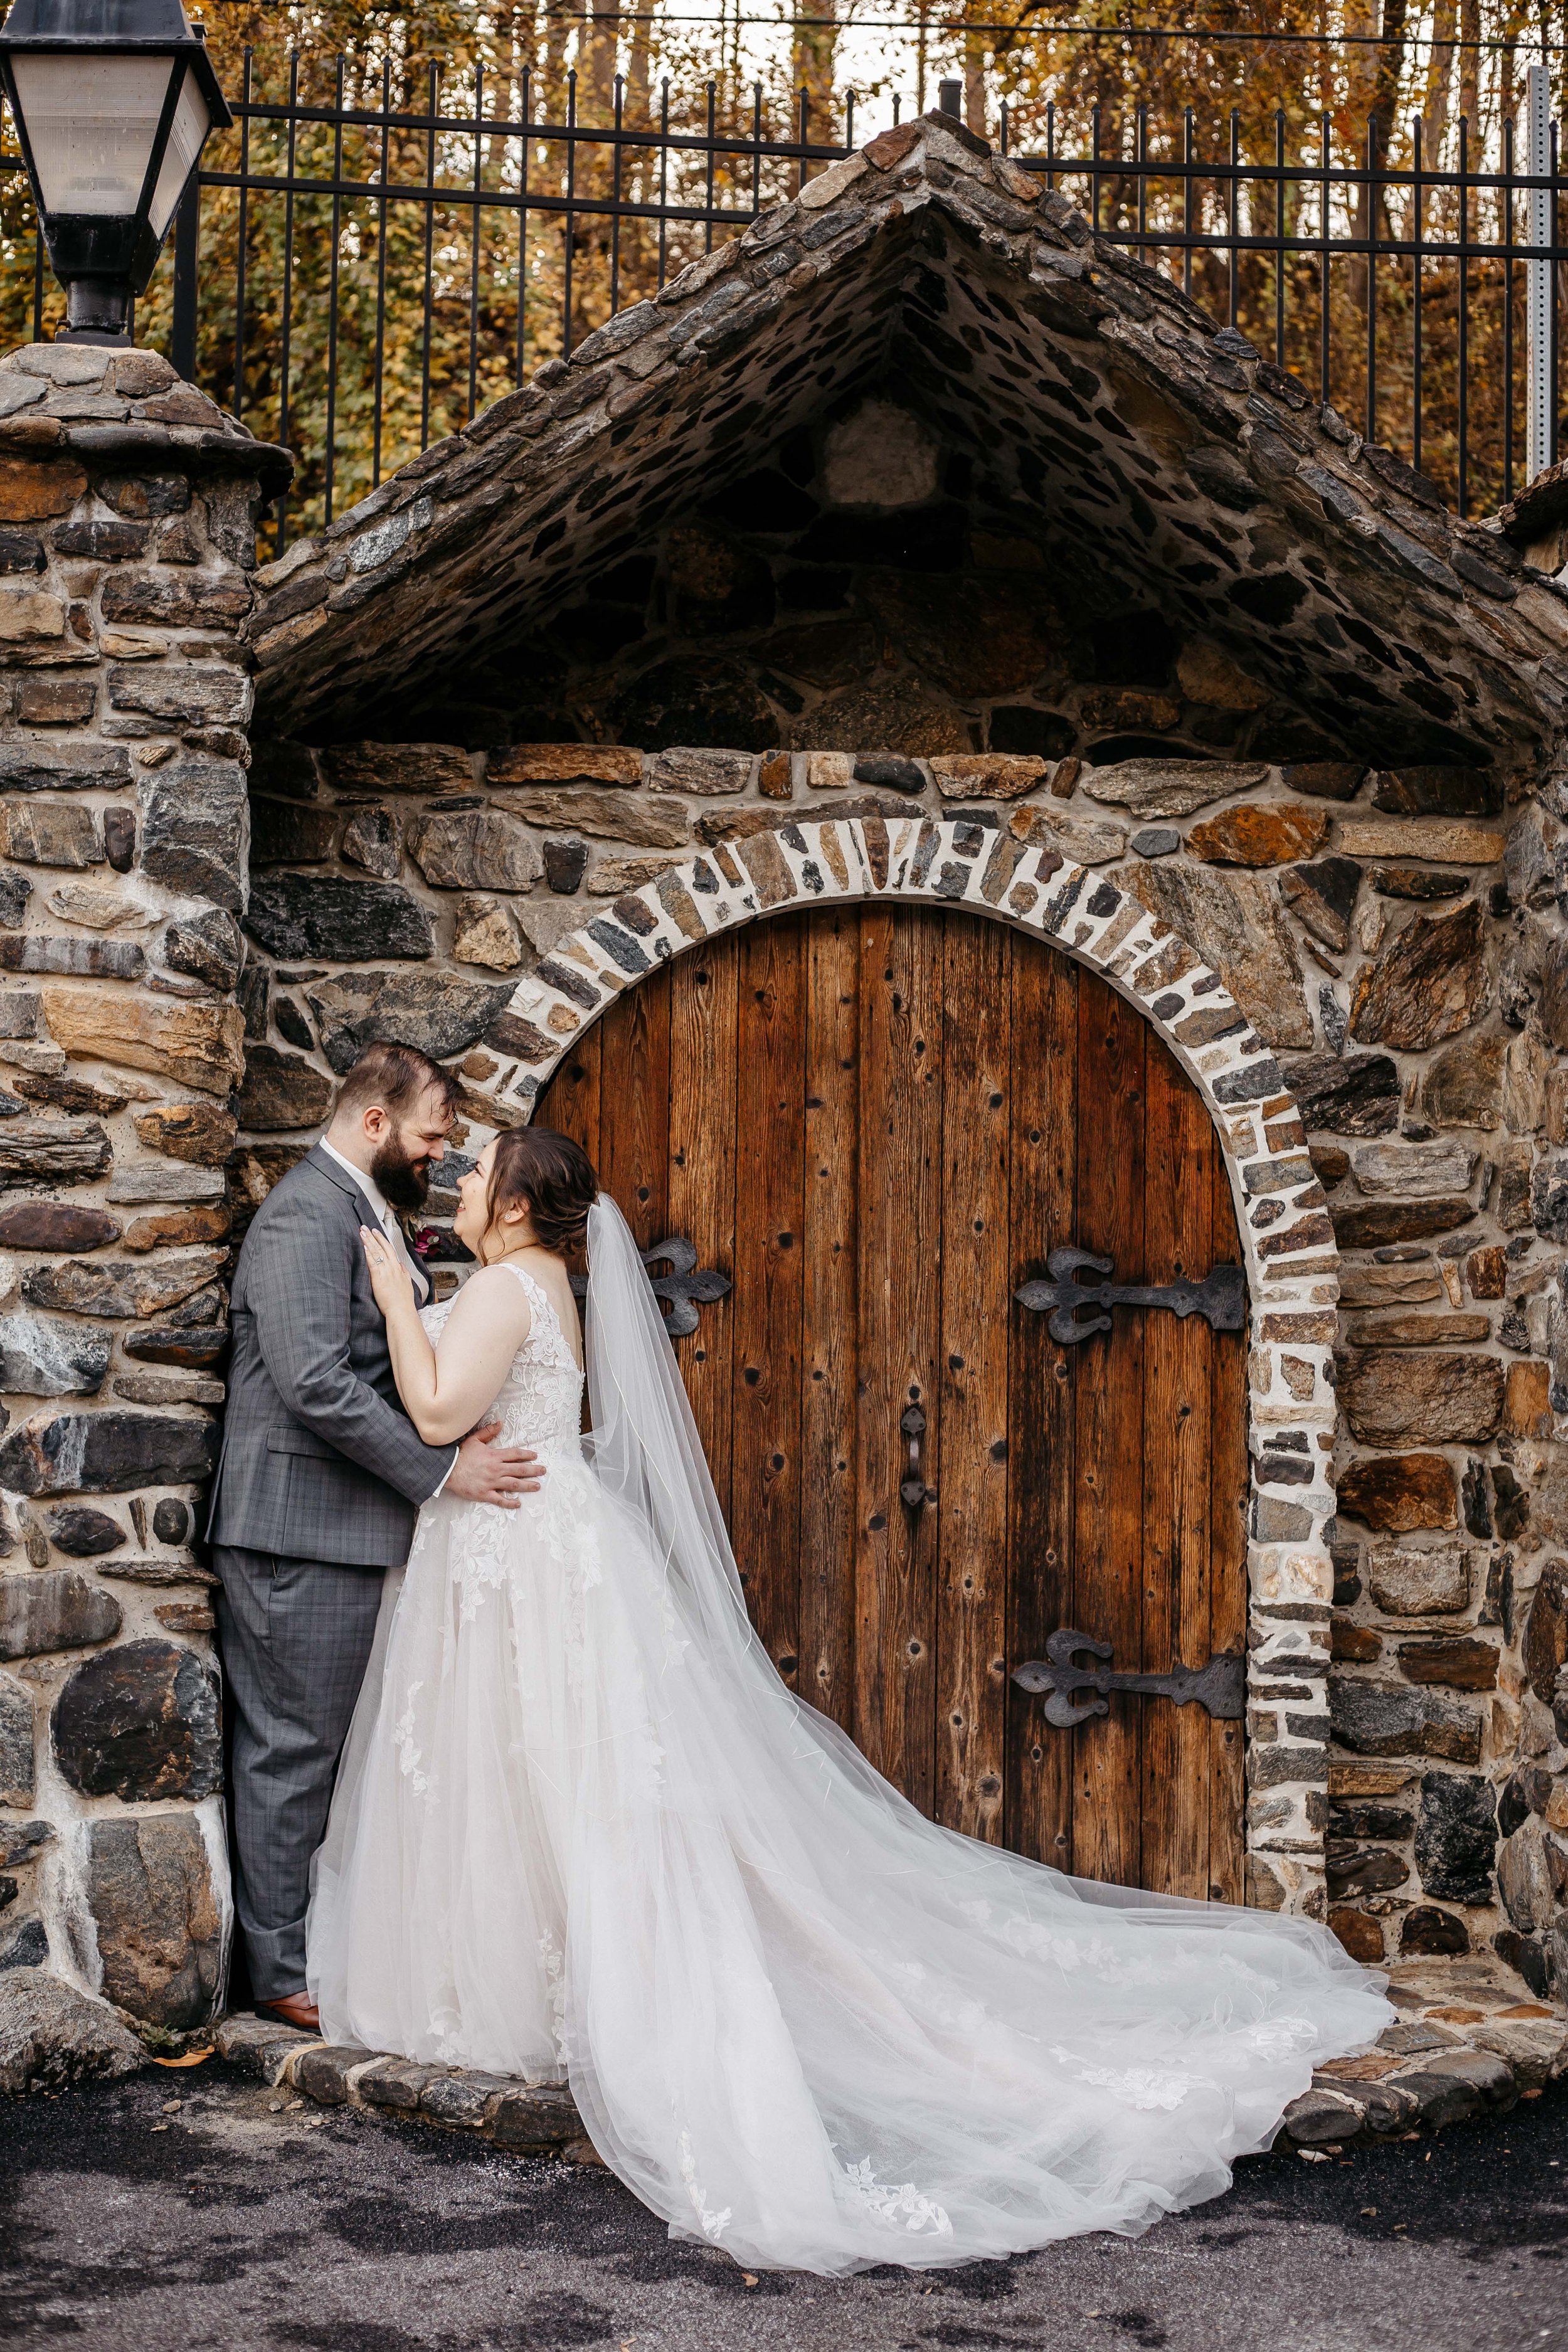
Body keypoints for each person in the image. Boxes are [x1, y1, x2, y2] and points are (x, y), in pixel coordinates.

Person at [307, 1125, 1391, 2275]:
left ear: (517, 1206)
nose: (460, 1180)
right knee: (564, 1774)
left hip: (517, 1555)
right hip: (544, 1545)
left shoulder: (497, 1291)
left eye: (477, 1172)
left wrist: (387, 1292)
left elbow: (432, 1416)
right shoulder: (544, 1283)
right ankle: (551, 1977)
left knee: (535, 1767)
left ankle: (540, 1991)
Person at [209, 1042, 546, 2032]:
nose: (440, 1157)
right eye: (433, 1134)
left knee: (333, 1751)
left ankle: (320, 1943)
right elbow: (315, 1380)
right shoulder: (307, 1216)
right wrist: (443, 1467)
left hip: (344, 1532)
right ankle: (278, 1970)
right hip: (297, 1533)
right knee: (293, 1750)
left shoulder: (365, 1211)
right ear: (374, 1122)